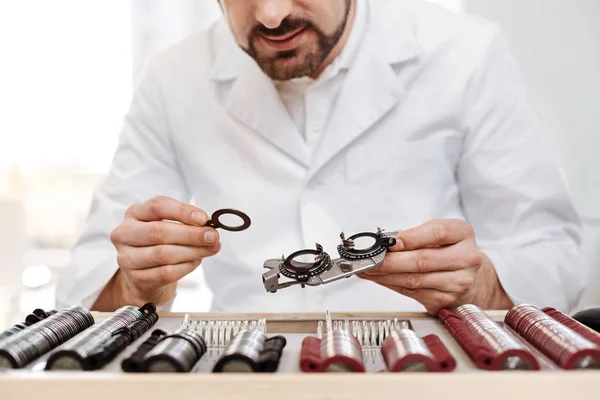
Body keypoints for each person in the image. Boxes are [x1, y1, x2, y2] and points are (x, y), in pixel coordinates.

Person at [56, 0, 587, 315]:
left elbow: (552, 251)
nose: (271, 14)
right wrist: (134, 282)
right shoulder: (173, 78)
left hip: (421, 373)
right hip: (247, 375)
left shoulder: (465, 53)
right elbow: (85, 281)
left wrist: (485, 284)